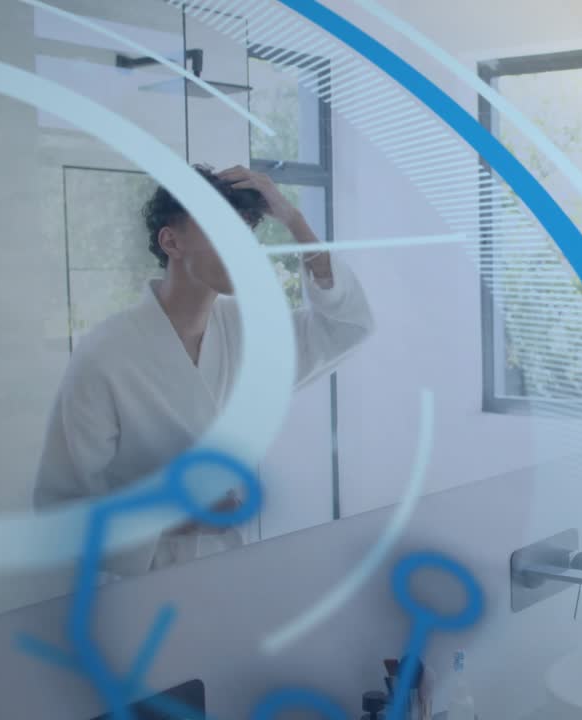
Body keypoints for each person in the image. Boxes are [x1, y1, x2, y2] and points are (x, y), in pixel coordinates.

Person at [33, 164, 374, 576]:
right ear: (171, 241)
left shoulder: (247, 330)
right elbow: (58, 511)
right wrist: (185, 519)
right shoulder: (107, 355)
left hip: (230, 568)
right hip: (139, 584)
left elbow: (344, 327)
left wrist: (294, 219)